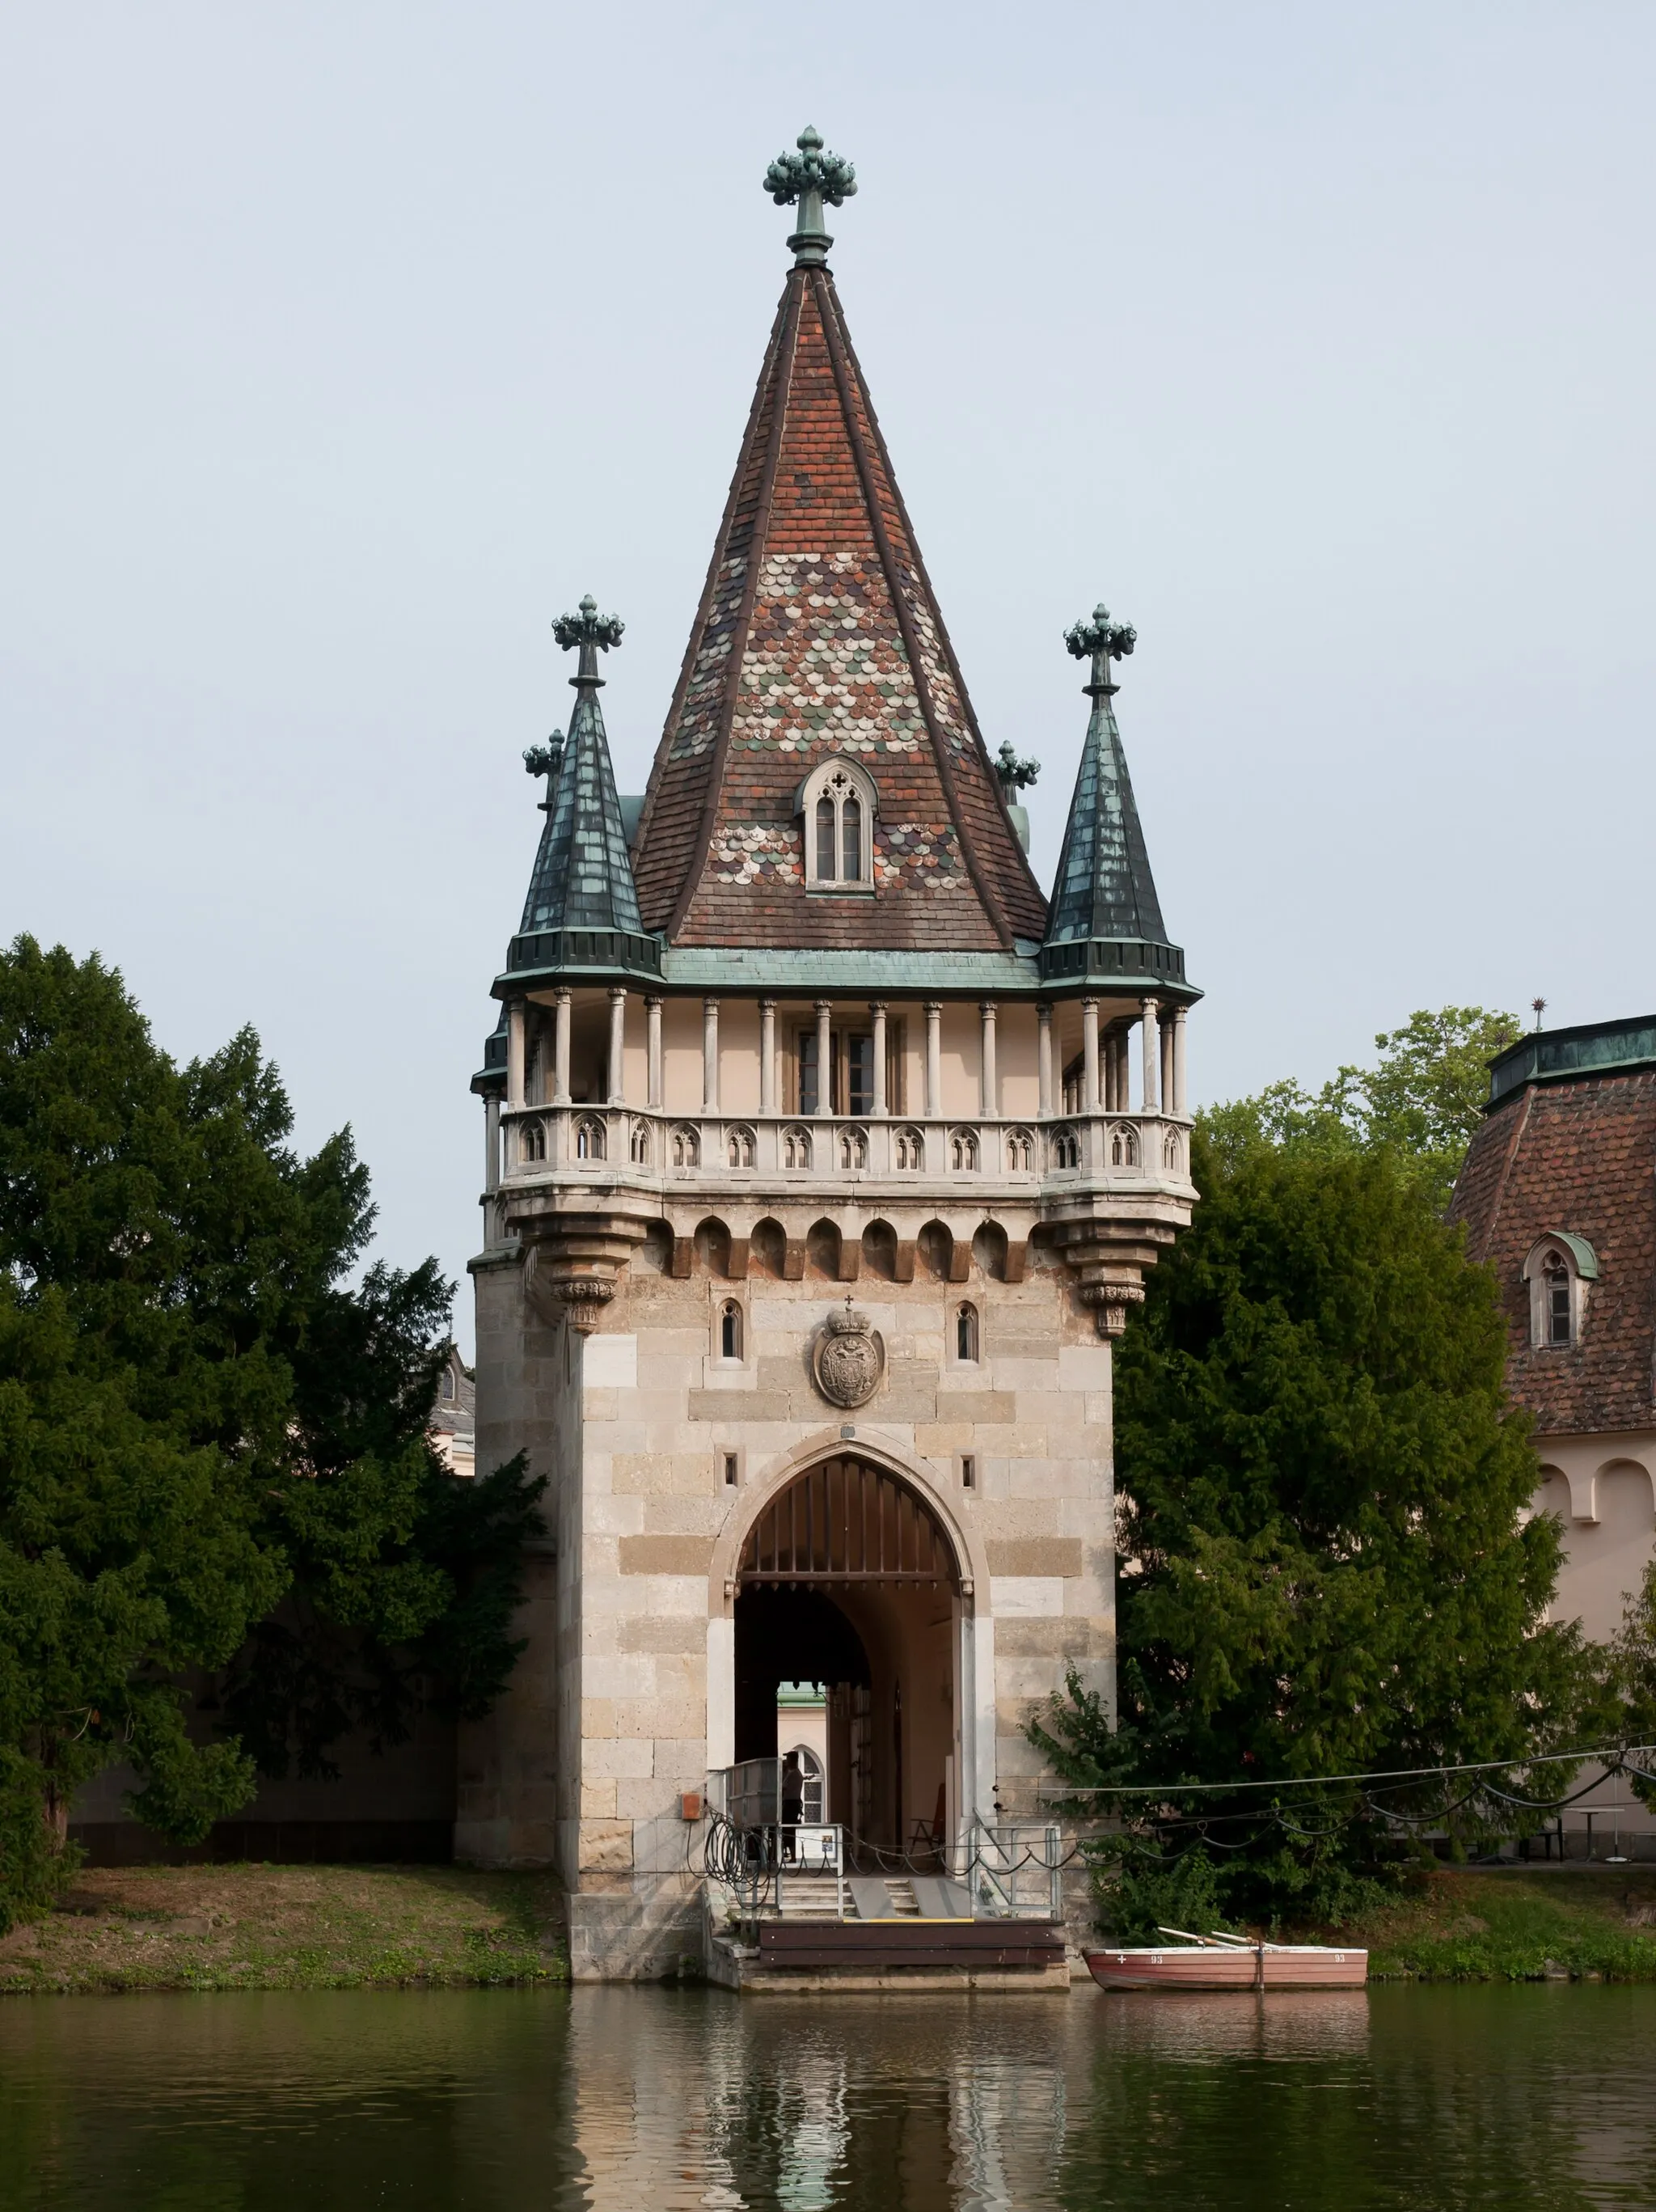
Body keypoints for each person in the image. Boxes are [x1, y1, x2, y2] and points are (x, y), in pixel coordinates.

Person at [780, 1750, 804, 1860]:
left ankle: (793, 1855)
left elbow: (783, 1787)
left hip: (791, 1803)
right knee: (787, 1830)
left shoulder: (795, 1774)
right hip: (789, 1803)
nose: (786, 1762)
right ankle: (791, 1853)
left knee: (789, 1830)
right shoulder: (791, 1773)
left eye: (788, 1759)